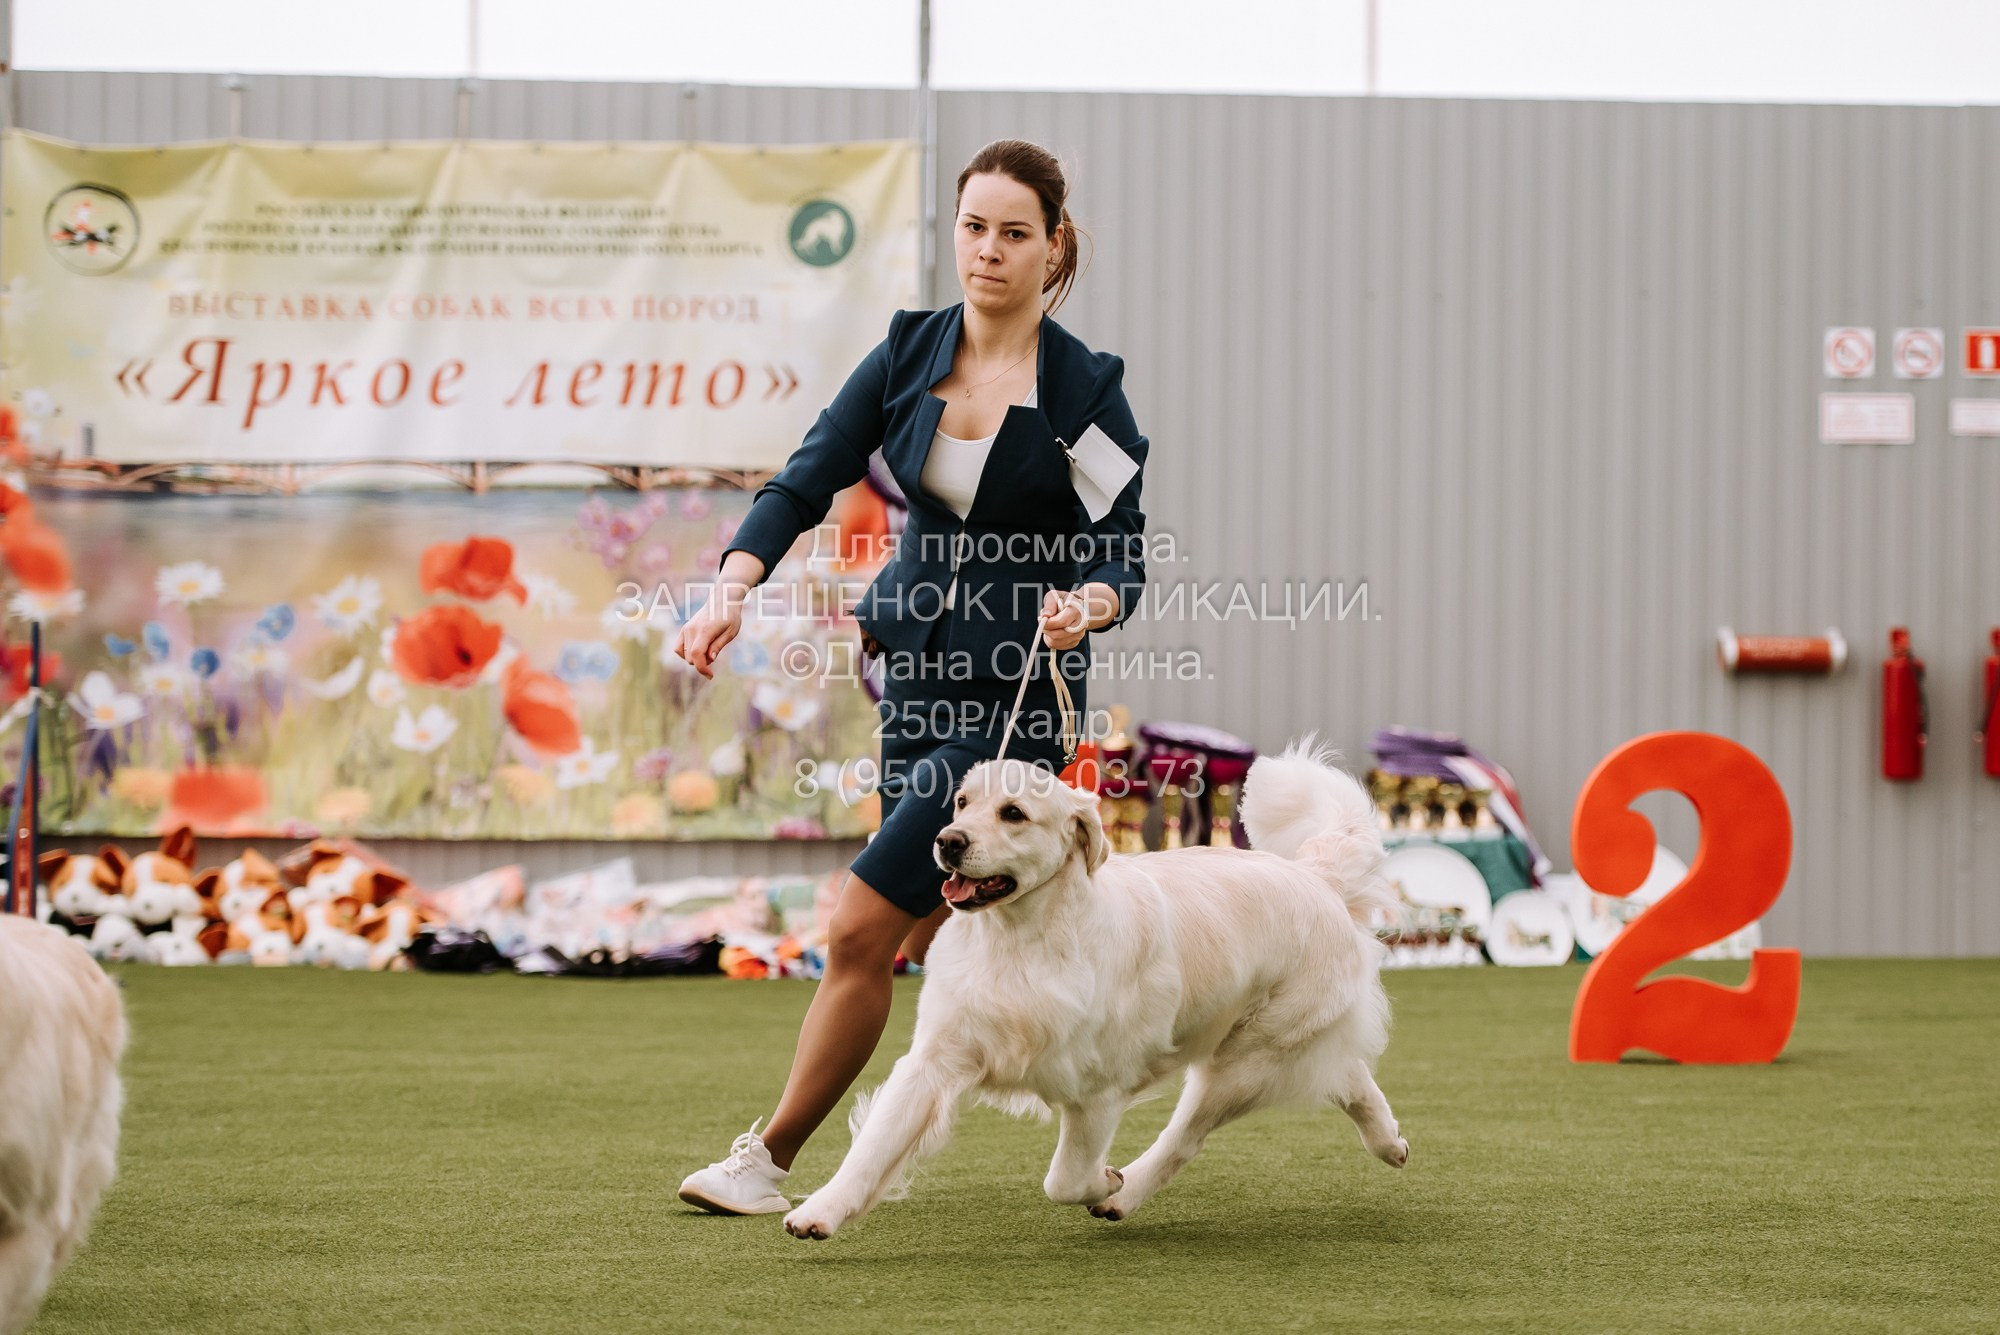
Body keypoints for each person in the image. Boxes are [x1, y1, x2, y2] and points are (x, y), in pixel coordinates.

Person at [671, 138, 1150, 1215]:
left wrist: (1095, 600)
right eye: (972, 227)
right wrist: (728, 589)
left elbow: (1120, 542)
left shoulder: (1085, 394)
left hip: (1009, 707)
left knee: (858, 928)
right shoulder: (904, 352)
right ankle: (1079, 1096)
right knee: (931, 922)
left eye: (1013, 233)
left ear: (1051, 245)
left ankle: (771, 1158)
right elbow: (803, 480)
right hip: (912, 682)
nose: (988, 251)